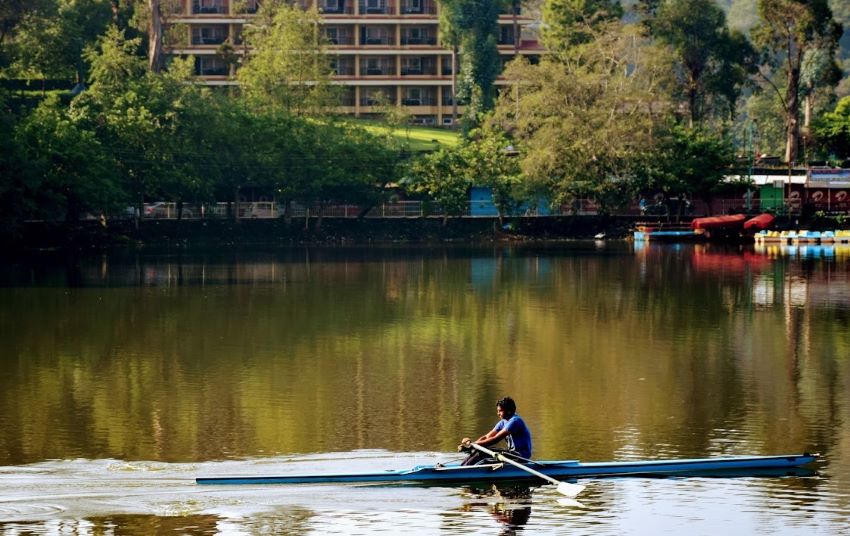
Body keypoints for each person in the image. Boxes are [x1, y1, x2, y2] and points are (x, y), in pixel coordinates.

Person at [460, 397, 532, 466]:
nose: (498, 413)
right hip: (512, 454)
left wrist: (473, 445)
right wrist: (473, 446)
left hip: (521, 456)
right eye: (497, 411)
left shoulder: (515, 421)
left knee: (483, 452)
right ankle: (462, 467)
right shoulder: (503, 421)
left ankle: (463, 471)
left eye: (500, 411)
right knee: (479, 450)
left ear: (509, 411)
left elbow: (495, 439)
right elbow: (487, 437)